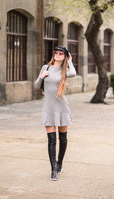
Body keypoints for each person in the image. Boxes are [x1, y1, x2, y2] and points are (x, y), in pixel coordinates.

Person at [35, 45, 76, 181]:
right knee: (51, 140)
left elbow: (74, 73)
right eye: (56, 52)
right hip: (49, 108)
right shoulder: (45, 68)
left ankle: (60, 164)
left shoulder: (64, 70)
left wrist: (70, 60)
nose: (57, 54)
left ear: (64, 56)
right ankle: (53, 170)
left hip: (62, 107)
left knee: (62, 138)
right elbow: (36, 85)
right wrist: (42, 76)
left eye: (60, 53)